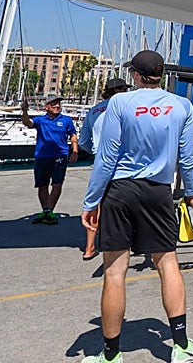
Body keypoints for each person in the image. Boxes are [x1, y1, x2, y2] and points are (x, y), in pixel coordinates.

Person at [81, 49, 193, 363]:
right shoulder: (181, 106)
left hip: (121, 190)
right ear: (161, 74)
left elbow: (107, 157)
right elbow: (187, 157)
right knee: (168, 264)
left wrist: (91, 201)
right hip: (158, 191)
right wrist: (191, 193)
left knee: (114, 271)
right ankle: (181, 346)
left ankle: (111, 355)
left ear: (135, 75)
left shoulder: (119, 103)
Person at [77, 77, 130, 260]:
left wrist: (96, 150)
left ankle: (89, 247)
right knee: (127, 202)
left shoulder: (94, 111)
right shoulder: (125, 107)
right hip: (124, 161)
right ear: (119, 90)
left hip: (101, 160)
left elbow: (83, 141)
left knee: (95, 203)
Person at [21, 93, 78, 224]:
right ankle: (46, 211)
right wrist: (24, 111)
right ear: (46, 107)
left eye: (58, 104)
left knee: (57, 184)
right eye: (53, 104)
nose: (57, 106)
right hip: (42, 156)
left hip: (60, 156)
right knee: (42, 185)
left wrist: (74, 150)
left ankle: (49, 211)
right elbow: (27, 123)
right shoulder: (40, 120)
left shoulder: (66, 120)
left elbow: (73, 135)